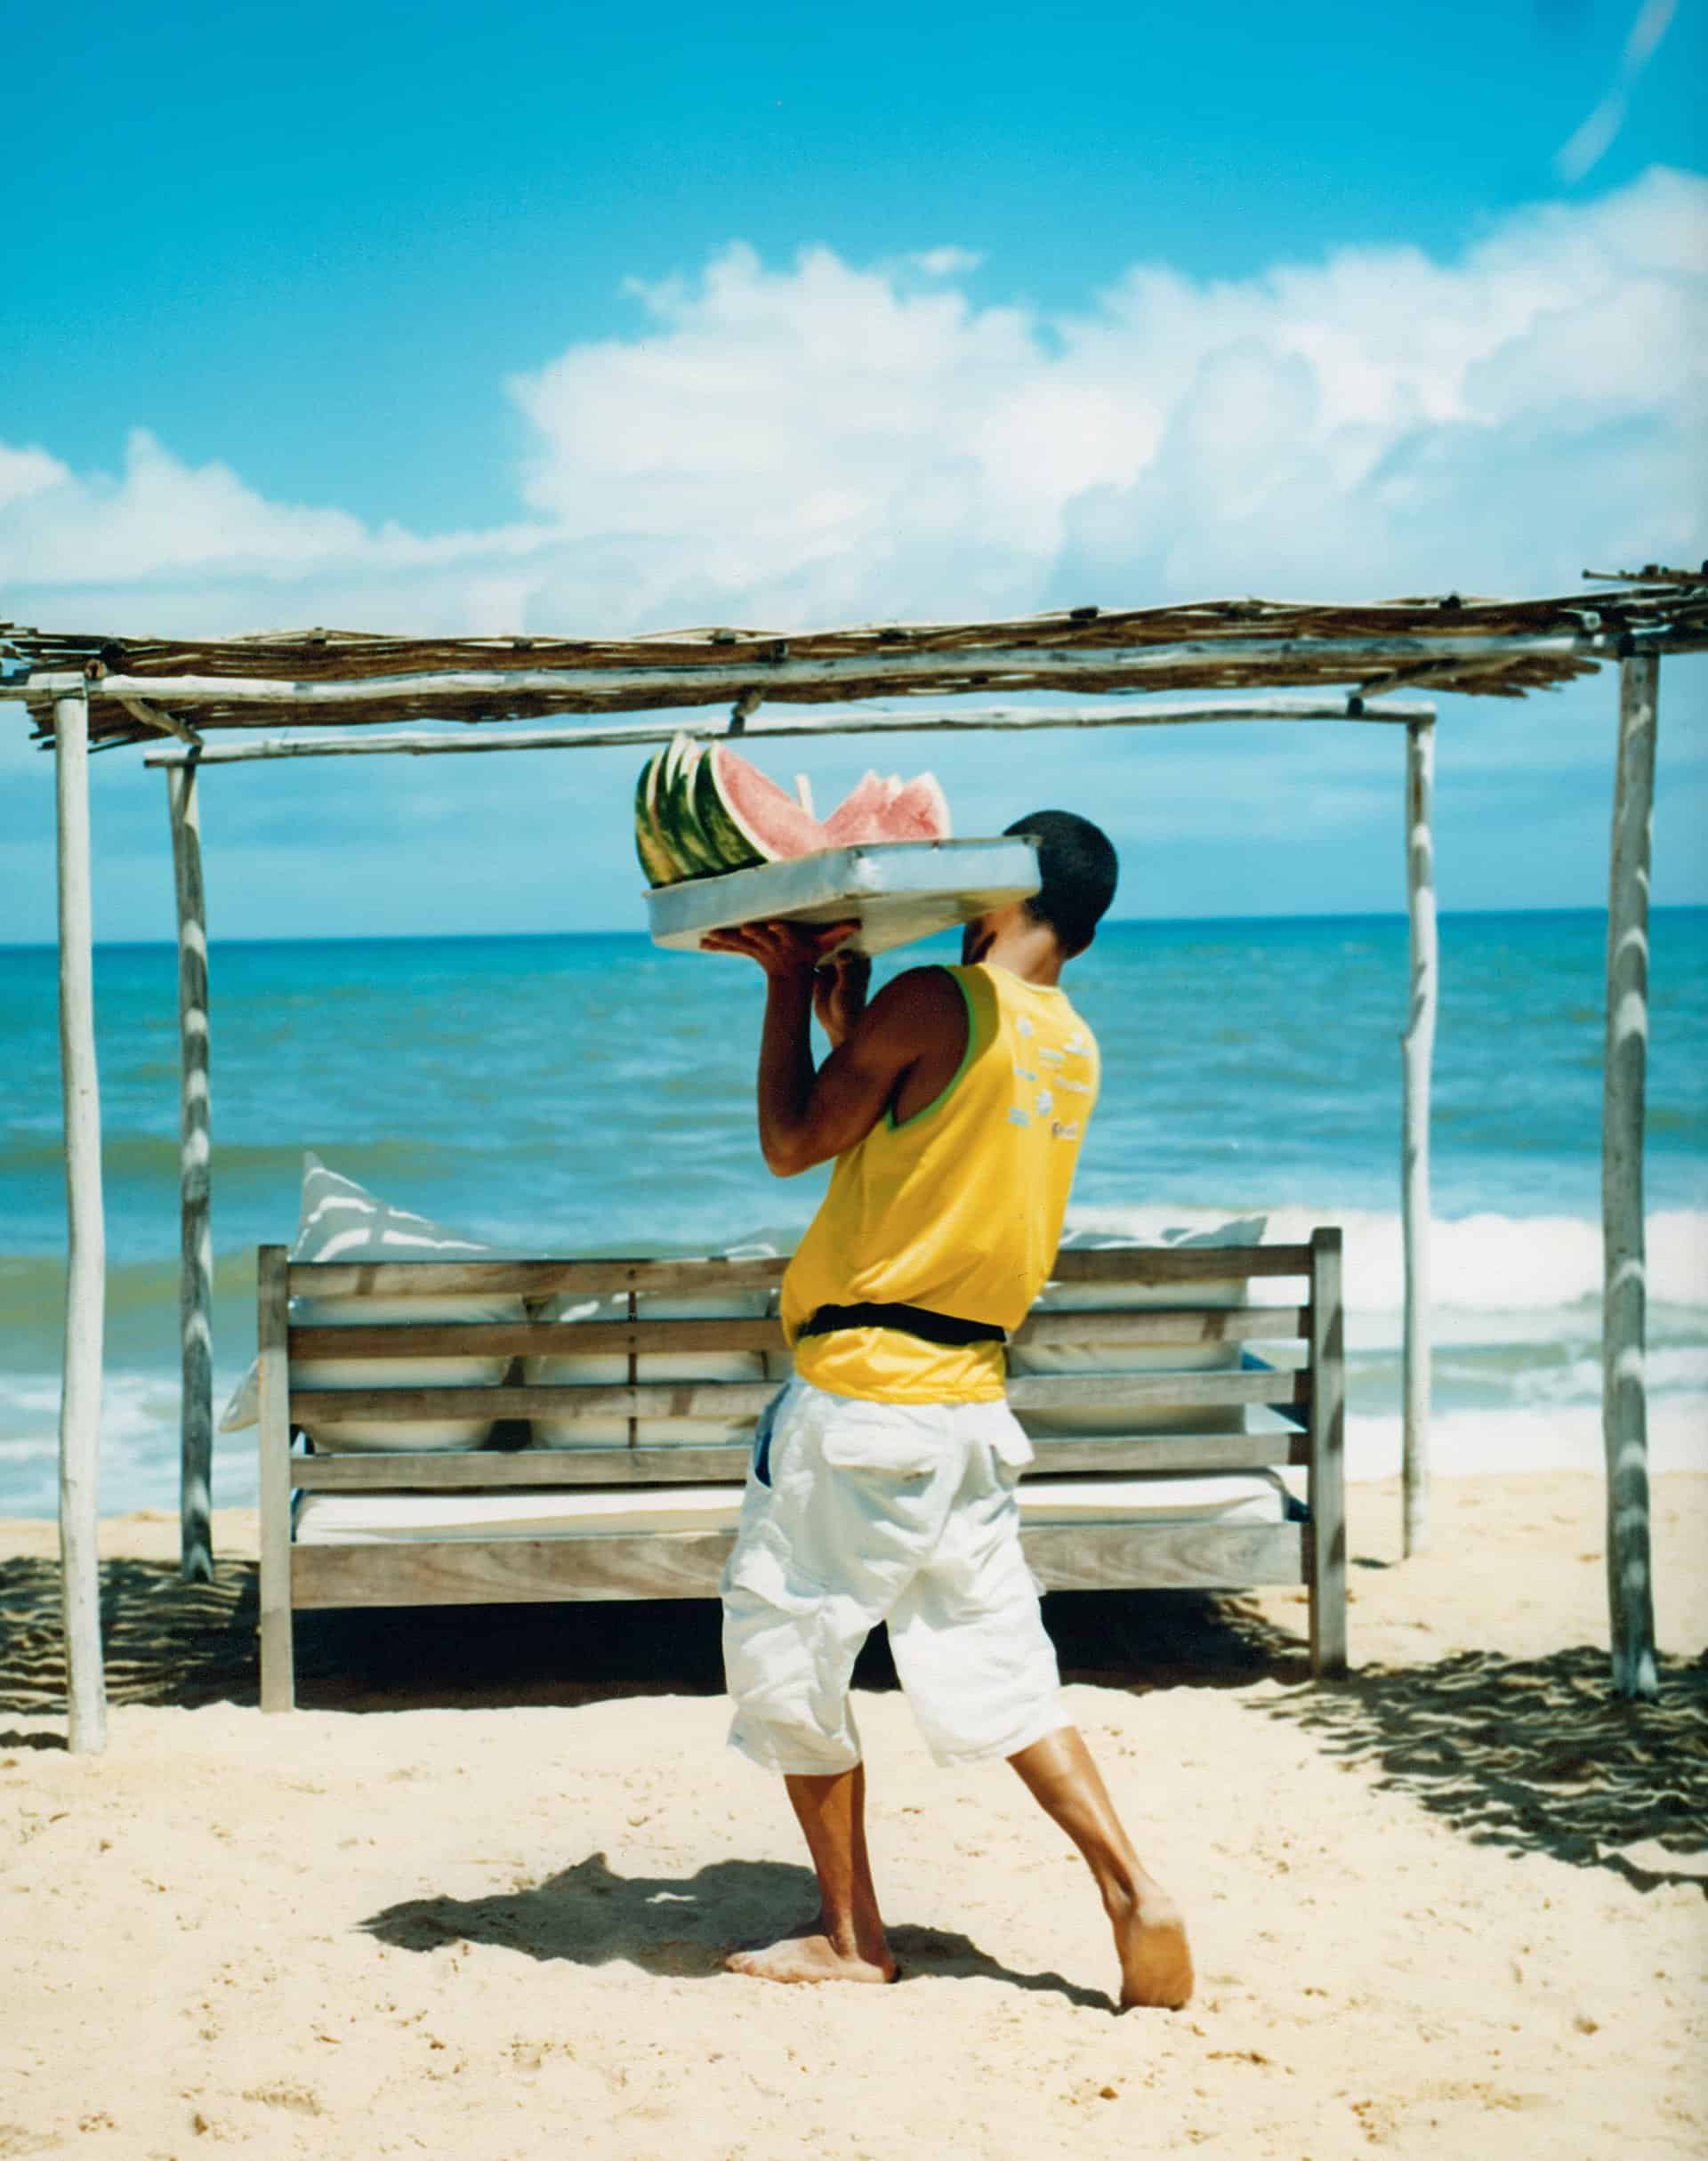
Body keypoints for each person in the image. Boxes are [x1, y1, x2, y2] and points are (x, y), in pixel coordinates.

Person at [701, 810, 1193, 2011]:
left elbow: (790, 1142)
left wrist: (780, 985)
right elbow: (926, 1134)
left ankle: (850, 1933)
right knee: (1001, 1666)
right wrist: (849, 1029)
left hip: (866, 1395)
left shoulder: (934, 998)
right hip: (972, 1405)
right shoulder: (1071, 1041)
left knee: (787, 1652)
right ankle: (1133, 1886)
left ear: (1010, 884)